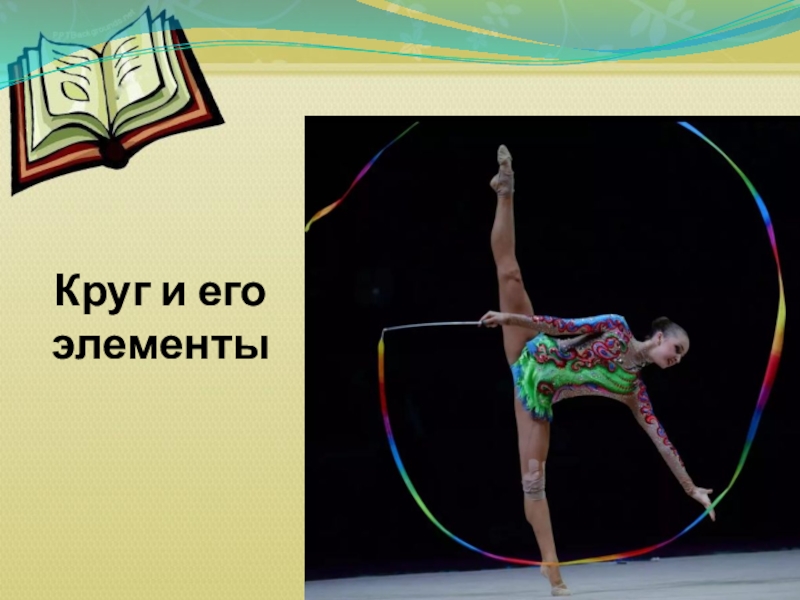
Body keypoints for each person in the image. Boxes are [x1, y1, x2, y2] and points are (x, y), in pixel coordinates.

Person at [478, 145, 715, 597]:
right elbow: (560, 326)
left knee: (533, 482)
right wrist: (509, 319)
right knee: (511, 276)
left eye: (681, 357)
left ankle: (551, 569)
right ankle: (505, 189)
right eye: (677, 349)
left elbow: (661, 440)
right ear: (659, 336)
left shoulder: (633, 390)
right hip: (531, 346)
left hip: (536, 395)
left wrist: (691, 489)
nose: (677, 358)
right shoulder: (615, 327)